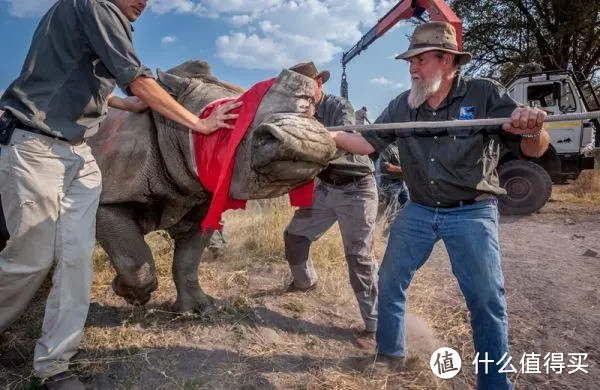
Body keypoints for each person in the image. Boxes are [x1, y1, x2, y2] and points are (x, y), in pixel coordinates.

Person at [0, 1, 240, 388]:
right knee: (32, 258)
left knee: (76, 262)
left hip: (79, 152)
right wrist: (198, 121)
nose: (144, 2)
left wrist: (126, 104)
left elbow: (79, 75)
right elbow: (135, 75)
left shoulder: (92, 16)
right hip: (36, 145)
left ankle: (55, 364)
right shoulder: (95, 5)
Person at [328, 22, 549, 389]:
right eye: (410, 61)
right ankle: (389, 353)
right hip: (418, 209)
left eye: (421, 60)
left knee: (485, 298)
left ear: (447, 61)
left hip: (471, 211)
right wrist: (329, 135)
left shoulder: (483, 94)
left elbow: (533, 148)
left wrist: (532, 128)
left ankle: (494, 383)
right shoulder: (403, 104)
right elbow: (368, 146)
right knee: (390, 279)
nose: (412, 68)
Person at [283, 62, 379, 338]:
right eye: (295, 90)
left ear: (319, 84)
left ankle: (375, 325)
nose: (300, 94)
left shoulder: (338, 105)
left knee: (359, 256)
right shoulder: (296, 112)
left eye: (305, 87)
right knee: (294, 236)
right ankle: (305, 282)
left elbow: (345, 135)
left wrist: (310, 124)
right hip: (324, 188)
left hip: (356, 187)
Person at [377, 143, 409, 232]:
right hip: (391, 182)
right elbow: (384, 166)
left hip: (402, 181)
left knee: (407, 204)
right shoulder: (388, 148)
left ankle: (402, 227)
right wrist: (402, 169)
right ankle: (389, 231)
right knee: (392, 207)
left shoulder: (402, 147)